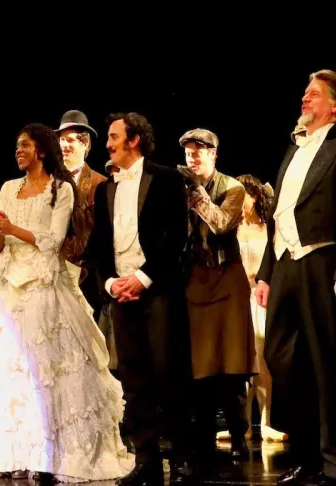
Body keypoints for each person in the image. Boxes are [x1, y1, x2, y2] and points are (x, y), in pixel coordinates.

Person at [0, 123, 133, 482]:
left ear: (41, 151)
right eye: (17, 146)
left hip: (47, 286)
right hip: (13, 291)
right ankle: (15, 452)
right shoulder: (7, 188)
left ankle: (59, 452)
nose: (19, 151)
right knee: (13, 373)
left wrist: (14, 230)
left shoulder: (61, 190)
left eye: (25, 145)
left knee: (51, 371)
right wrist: (0, 234)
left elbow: (52, 240)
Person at [255, 69, 336, 485]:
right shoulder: (293, 150)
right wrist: (266, 274)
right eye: (304, 94)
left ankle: (333, 462)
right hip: (287, 266)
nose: (304, 100)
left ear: (335, 105)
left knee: (329, 366)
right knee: (281, 357)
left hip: (325, 267)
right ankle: (305, 454)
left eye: (313, 94)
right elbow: (279, 215)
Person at [85, 113, 197, 485]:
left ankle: (182, 458)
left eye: (114, 137)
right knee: (133, 380)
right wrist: (112, 283)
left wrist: (143, 278)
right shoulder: (106, 189)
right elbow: (100, 245)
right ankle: (146, 460)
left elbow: (177, 236)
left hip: (158, 290)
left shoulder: (165, 179)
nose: (108, 143)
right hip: (122, 296)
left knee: (169, 375)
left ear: (134, 140)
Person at [177, 129, 257, 463]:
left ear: (214, 154)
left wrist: (197, 194)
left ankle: (239, 435)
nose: (192, 157)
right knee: (200, 365)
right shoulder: (177, 187)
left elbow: (222, 224)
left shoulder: (233, 188)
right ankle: (204, 436)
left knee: (232, 364)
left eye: (199, 151)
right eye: (188, 152)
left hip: (227, 280)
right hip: (193, 279)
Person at [232, 174, 288, 443]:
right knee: (243, 361)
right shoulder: (232, 227)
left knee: (262, 359)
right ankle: (242, 424)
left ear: (254, 197)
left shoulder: (267, 228)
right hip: (237, 297)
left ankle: (265, 422)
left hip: (261, 297)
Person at [56, 110, 108, 318]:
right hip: (51, 277)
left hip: (86, 282)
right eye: (61, 140)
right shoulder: (47, 182)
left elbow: (105, 237)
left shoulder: (101, 184)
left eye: (70, 140)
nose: (64, 145)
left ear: (85, 144)